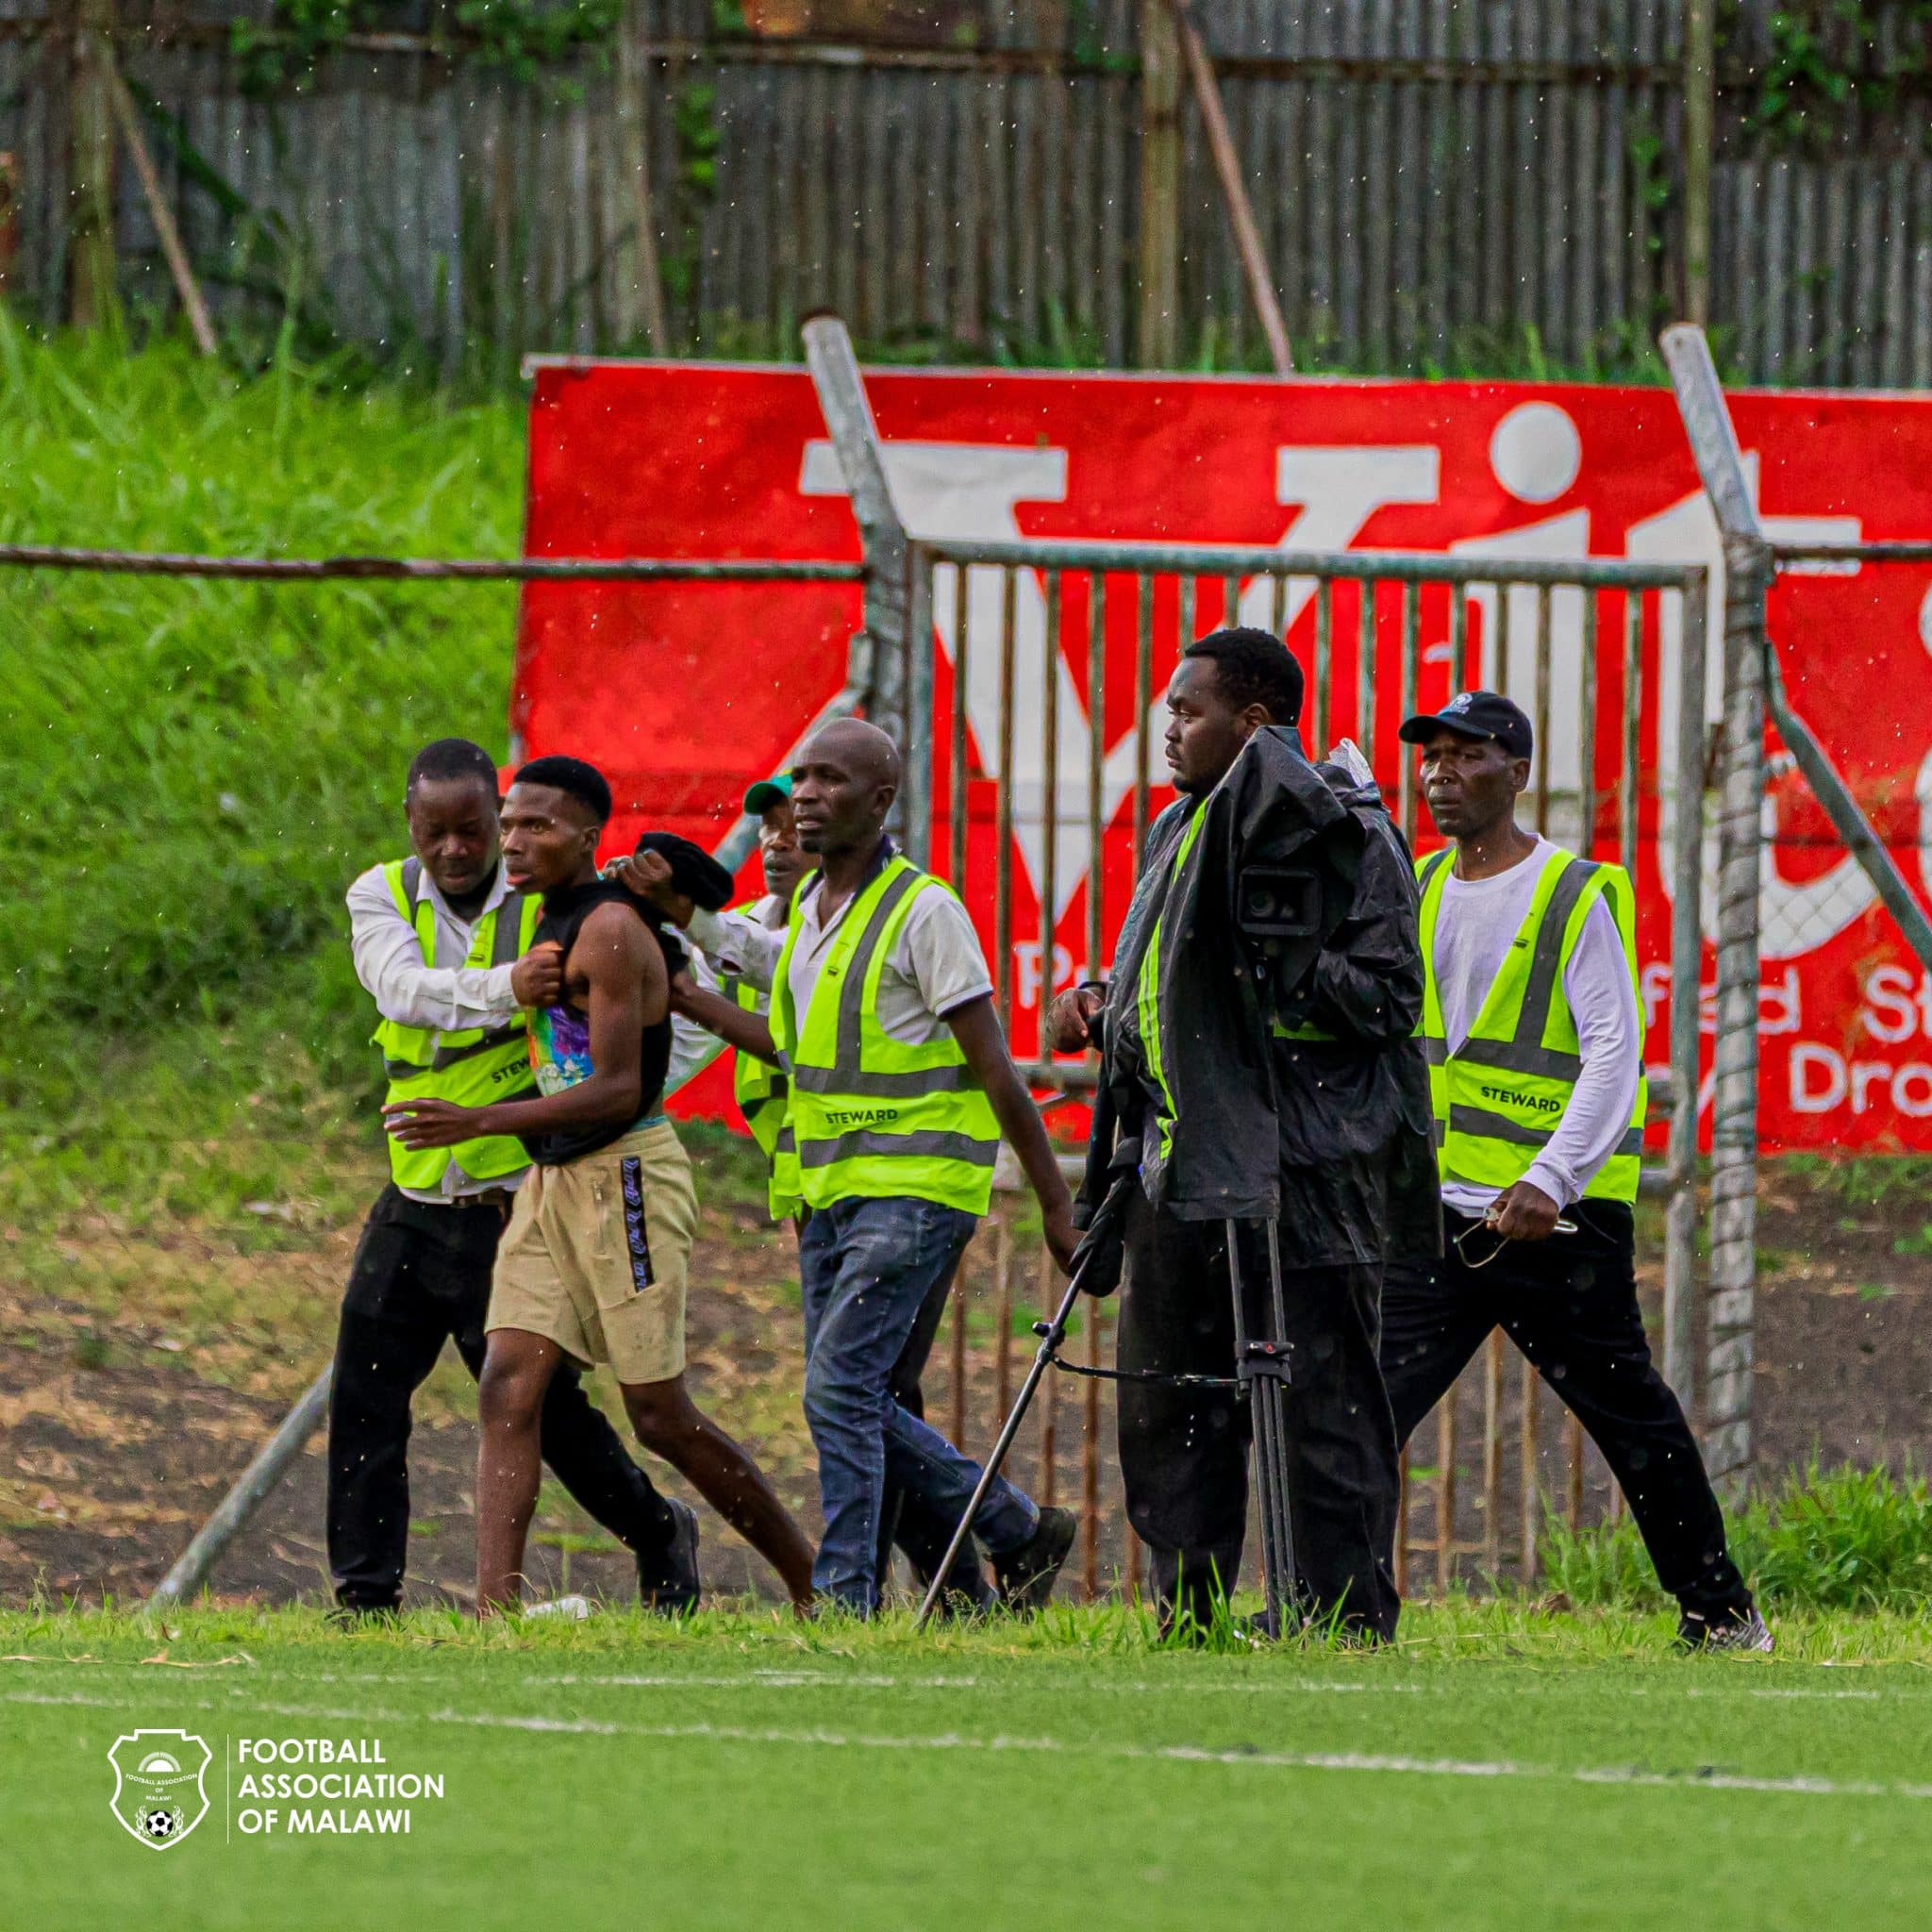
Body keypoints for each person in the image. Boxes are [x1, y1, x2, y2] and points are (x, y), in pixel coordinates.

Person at [633, 718, 1079, 1617]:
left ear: (881, 803)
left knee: (840, 1390)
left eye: (830, 780)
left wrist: (1057, 1207)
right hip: (832, 1192)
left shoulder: (926, 912)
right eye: (802, 777)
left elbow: (998, 1070)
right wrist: (692, 922)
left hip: (916, 1190)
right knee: (853, 1397)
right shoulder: (813, 909)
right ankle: (1013, 1530)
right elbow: (782, 984)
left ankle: (847, 1597)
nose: (805, 796)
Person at [1048, 629, 1437, 1641]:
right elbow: (1174, 981)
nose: (1168, 729)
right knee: (1168, 1404)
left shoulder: (1345, 827)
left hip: (1302, 1168)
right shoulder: (1176, 827)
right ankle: (1191, 1616)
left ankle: (1342, 1620)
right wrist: (1102, 999)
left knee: (1323, 1409)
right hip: (1178, 1164)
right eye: (1169, 710)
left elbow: (1389, 997)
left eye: (1189, 711)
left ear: (1254, 723)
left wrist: (1281, 963)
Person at [1382, 691, 1772, 1651]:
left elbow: (1613, 1054)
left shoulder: (1572, 892)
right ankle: (1337, 1607)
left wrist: (1550, 1178)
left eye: (1467, 755)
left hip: (1554, 1222)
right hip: (1442, 1215)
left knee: (1629, 1418)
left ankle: (1720, 1611)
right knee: (1357, 1412)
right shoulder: (1417, 884)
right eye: (1431, 755)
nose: (1440, 773)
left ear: (1516, 773)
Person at [383, 754, 816, 1614]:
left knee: (658, 1416)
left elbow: (619, 1090)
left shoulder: (611, 930)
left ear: (587, 837)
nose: (513, 842)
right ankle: (494, 1616)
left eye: (536, 826)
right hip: (553, 1180)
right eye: (510, 823)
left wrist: (479, 1120)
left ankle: (815, 1584)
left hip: (626, 1177)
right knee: (508, 1382)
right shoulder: (547, 918)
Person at [331, 737, 694, 1620]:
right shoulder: (382, 894)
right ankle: (366, 1601)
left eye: (474, 829)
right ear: (409, 823)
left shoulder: (548, 899)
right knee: (365, 1394)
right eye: (434, 832)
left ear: (499, 822)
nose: (455, 849)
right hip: (415, 1191)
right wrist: (508, 988)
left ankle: (657, 1529)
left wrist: (595, 1112)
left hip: (512, 1197)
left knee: (546, 1413)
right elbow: (400, 990)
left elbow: (645, 1022)